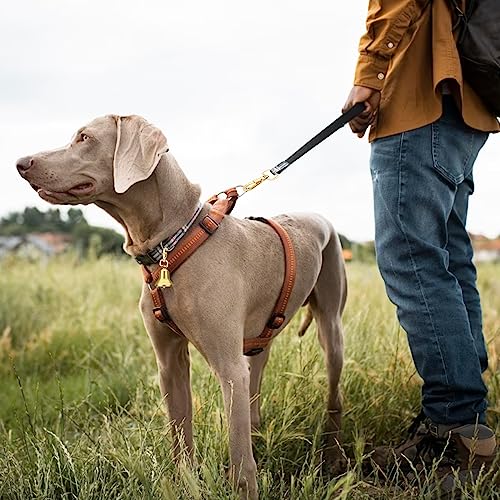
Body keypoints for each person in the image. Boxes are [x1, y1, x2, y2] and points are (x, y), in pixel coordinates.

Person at [343, 0, 498, 488]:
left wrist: (369, 73)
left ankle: (456, 428)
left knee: (413, 263)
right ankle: (471, 415)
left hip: (420, 102)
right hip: (465, 107)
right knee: (449, 262)